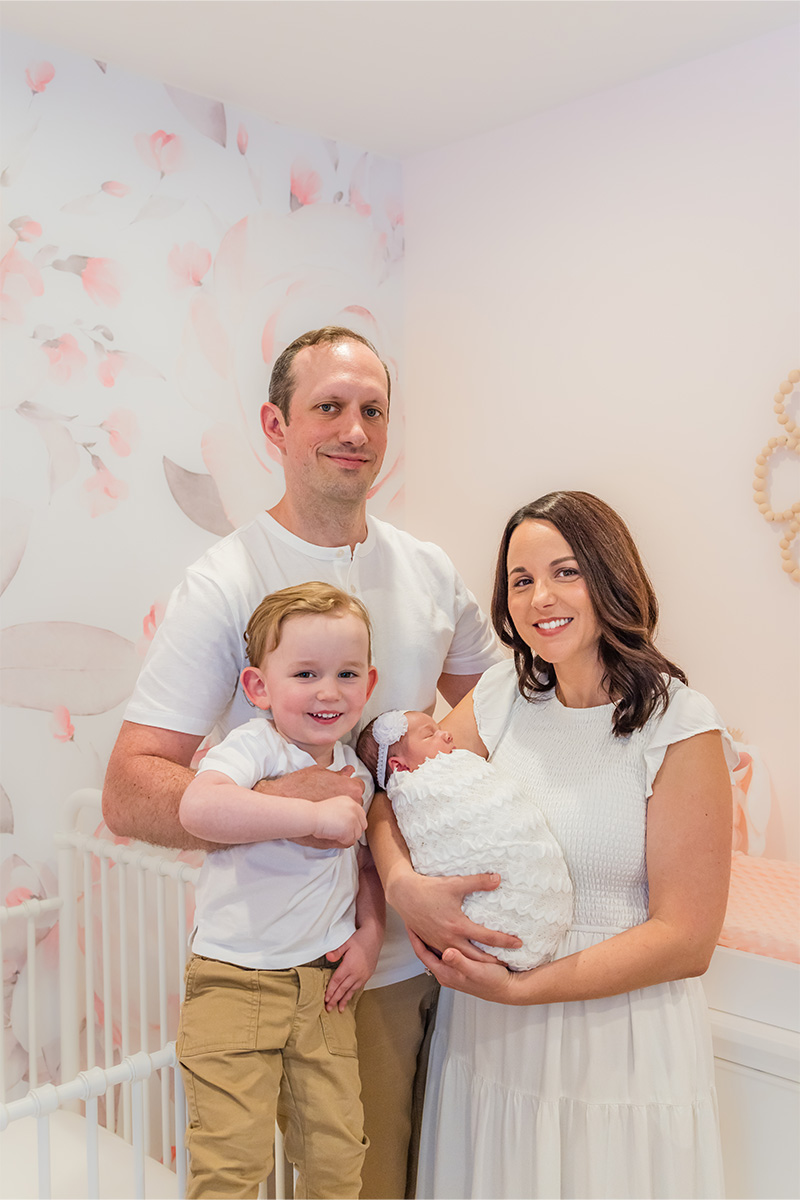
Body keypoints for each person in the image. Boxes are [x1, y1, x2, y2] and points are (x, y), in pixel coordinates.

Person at [102, 326, 507, 1200]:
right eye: (328, 406)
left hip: (400, 956)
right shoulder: (221, 580)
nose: (353, 429)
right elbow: (130, 789)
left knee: (371, 1181)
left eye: (372, 411)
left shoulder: (429, 571)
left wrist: (409, 751)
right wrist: (285, 799)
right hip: (269, 965)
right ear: (275, 426)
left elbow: (502, 707)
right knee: (235, 1179)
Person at [369, 491, 736, 1200]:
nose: (541, 597)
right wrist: (400, 884)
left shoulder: (679, 725)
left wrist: (523, 991)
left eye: (565, 572)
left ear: (610, 578)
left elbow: (687, 937)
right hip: (491, 1040)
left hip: (615, 1039)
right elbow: (396, 793)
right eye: (521, 580)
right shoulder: (506, 695)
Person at [177, 583, 380, 1199]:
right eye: (305, 673)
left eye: (346, 673)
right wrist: (311, 817)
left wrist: (370, 934)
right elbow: (200, 809)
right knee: (232, 1165)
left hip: (323, 988)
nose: (328, 690)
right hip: (234, 979)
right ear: (258, 688)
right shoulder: (256, 747)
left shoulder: (358, 773)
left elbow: (365, 867)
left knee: (337, 1159)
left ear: (369, 685)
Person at [357, 710, 573, 970]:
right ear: (400, 767)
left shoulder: (458, 763)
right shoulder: (415, 790)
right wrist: (398, 881)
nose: (447, 734)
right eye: (431, 734)